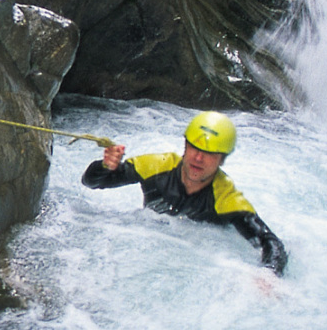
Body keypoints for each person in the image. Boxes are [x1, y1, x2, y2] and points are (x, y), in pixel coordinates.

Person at [81, 111, 288, 275]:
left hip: (201, 261)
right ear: (185, 146)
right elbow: (91, 182)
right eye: (194, 148)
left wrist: (268, 275)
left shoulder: (226, 198)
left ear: (222, 160)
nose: (198, 158)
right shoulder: (155, 166)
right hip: (149, 249)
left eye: (209, 153)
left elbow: (271, 243)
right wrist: (106, 166)